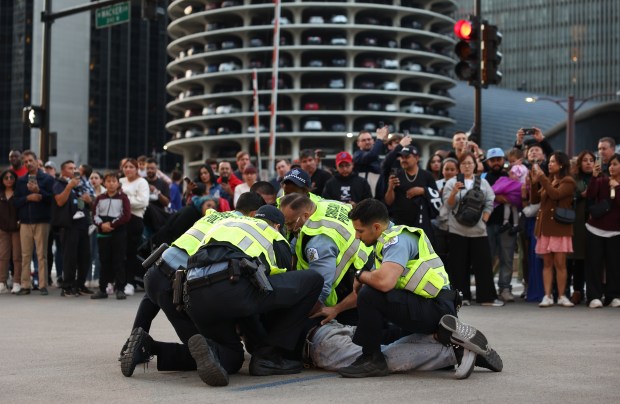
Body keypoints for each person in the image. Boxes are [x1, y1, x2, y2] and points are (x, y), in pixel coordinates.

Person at [337, 199, 502, 378]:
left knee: (370, 294)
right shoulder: (384, 242)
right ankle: (456, 349)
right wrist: (336, 309)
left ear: (376, 227)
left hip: (436, 308)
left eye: (359, 231)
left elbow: (384, 283)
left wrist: (360, 275)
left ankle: (371, 360)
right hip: (430, 305)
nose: (356, 236)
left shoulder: (396, 241)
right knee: (384, 335)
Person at [119, 192, 265, 377]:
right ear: (254, 214)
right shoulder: (244, 226)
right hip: (179, 286)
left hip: (156, 273)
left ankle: (141, 345)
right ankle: (148, 347)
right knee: (226, 354)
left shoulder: (214, 215)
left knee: (201, 347)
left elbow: (151, 298)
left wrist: (137, 329)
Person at [183, 214, 323, 386]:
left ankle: (212, 351)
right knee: (313, 280)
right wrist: (263, 343)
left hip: (193, 295)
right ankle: (269, 357)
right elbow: (281, 298)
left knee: (232, 356)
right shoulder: (274, 236)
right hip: (231, 285)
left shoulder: (226, 223)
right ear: (278, 226)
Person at [279, 193, 369, 325]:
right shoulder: (324, 205)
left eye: (291, 223)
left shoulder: (319, 243)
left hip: (349, 295)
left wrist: (299, 318)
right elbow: (296, 243)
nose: (288, 228)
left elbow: (321, 287)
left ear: (305, 215)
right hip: (365, 266)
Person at [442, 152, 503, 306]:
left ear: (475, 165)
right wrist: (455, 191)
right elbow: (447, 205)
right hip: (457, 229)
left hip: (478, 230)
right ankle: (462, 297)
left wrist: (485, 218)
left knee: (483, 264)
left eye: (470, 163)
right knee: (458, 265)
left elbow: (490, 200)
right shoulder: (452, 183)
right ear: (459, 167)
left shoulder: (482, 183)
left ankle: (486, 297)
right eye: (463, 164)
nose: (467, 166)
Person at [530, 151, 576, 307]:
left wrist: (542, 178)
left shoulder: (568, 181)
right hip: (544, 227)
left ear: (561, 164)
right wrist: (533, 181)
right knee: (547, 263)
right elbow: (534, 199)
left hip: (560, 228)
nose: (549, 164)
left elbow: (556, 195)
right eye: (549, 161)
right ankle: (547, 295)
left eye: (553, 162)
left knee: (560, 264)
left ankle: (562, 295)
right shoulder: (548, 180)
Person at [13, 150, 54, 295]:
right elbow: (15, 201)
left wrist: (40, 192)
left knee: (41, 254)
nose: (28, 163)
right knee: (26, 255)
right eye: (25, 162)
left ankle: (43, 285)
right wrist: (28, 198)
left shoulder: (47, 179)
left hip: (42, 221)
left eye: (31, 160)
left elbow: (52, 199)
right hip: (25, 221)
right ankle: (25, 285)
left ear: (37, 161)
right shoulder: (21, 181)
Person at [482, 148, 519, 303]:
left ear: (503, 160)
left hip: (507, 225)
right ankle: (487, 289)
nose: (496, 162)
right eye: (493, 160)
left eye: (499, 159)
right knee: (487, 258)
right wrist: (499, 196)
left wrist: (506, 197)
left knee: (507, 258)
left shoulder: (510, 176)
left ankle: (505, 288)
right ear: (488, 162)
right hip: (487, 224)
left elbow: (517, 195)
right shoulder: (483, 178)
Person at [53, 160, 94, 297]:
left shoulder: (81, 183)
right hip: (69, 226)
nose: (74, 170)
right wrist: (69, 187)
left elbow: (91, 202)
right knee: (70, 258)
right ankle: (67, 286)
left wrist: (89, 200)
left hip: (83, 224)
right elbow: (59, 201)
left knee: (85, 257)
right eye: (70, 168)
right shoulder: (60, 183)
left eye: (75, 167)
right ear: (63, 170)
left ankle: (80, 285)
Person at [584, 153, 620, 308]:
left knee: (615, 265)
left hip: (616, 230)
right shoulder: (602, 180)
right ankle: (594, 296)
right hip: (595, 228)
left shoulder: (615, 184)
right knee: (594, 263)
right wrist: (594, 177)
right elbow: (590, 195)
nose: (611, 167)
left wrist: (617, 188)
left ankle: (613, 296)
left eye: (615, 164)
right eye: (610, 164)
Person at [384, 146, 441, 242]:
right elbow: (389, 202)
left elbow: (437, 198)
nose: (403, 160)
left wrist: (423, 190)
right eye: (401, 157)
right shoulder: (397, 176)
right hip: (400, 223)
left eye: (407, 157)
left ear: (417, 158)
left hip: (421, 222)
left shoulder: (427, 175)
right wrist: (390, 188)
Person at [91, 171, 132, 299]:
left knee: (119, 261)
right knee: (104, 261)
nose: (111, 184)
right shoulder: (100, 198)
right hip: (103, 234)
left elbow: (126, 215)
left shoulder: (123, 198)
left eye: (114, 181)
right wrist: (102, 225)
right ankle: (102, 289)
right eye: (108, 181)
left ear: (118, 183)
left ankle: (120, 289)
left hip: (118, 234)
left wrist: (112, 225)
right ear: (104, 182)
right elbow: (94, 215)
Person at [566, 150, 595, 305]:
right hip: (576, 223)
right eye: (585, 160)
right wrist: (580, 195)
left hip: (596, 223)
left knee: (587, 259)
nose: (588, 163)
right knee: (573, 258)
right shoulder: (573, 179)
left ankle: (587, 291)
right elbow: (566, 198)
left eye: (591, 160)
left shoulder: (600, 178)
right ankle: (575, 291)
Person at [119, 158, 150, 296]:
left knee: (130, 253)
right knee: (119, 253)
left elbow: (143, 202)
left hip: (135, 219)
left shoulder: (142, 182)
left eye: (131, 167)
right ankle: (119, 281)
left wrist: (124, 201)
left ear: (137, 168)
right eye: (126, 167)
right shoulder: (120, 181)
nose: (128, 169)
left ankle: (130, 283)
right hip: (119, 220)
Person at [0, 169, 21, 294]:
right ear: (2, 180)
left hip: (17, 229)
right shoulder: (0, 193)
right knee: (3, 256)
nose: (9, 180)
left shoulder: (18, 193)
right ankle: (2, 281)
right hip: (2, 229)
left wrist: (20, 220)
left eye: (11, 177)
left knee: (17, 257)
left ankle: (17, 282)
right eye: (6, 178)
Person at [353, 128, 388, 197]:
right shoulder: (357, 156)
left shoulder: (377, 159)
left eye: (369, 139)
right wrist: (380, 139)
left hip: (378, 199)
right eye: (363, 140)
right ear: (358, 143)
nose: (367, 142)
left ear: (373, 141)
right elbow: (371, 156)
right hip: (362, 199)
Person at [144, 158, 171, 236]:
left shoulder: (163, 184)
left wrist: (156, 192)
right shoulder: (141, 181)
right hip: (144, 218)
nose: (150, 170)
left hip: (158, 219)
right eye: (148, 168)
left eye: (152, 168)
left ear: (156, 169)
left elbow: (166, 203)